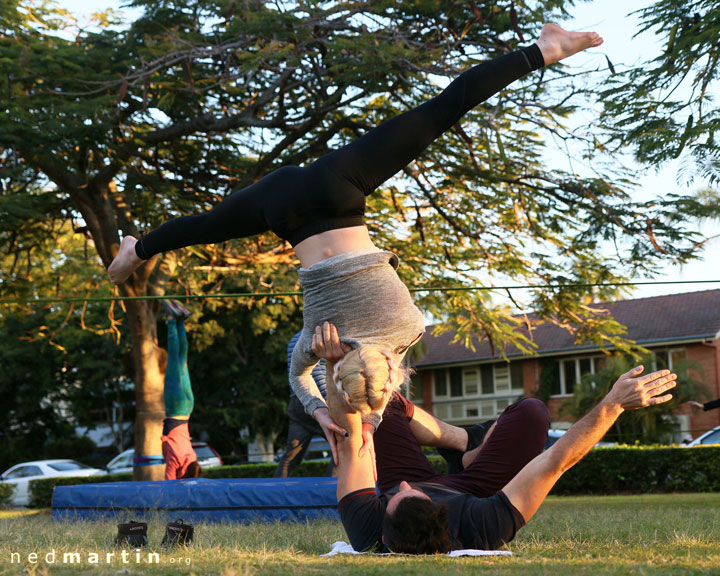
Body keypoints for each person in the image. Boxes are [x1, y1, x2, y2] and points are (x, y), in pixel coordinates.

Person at [108, 25, 604, 458]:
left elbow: (383, 388)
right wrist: (327, 403)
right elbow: (305, 379)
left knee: (441, 111)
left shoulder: (405, 330)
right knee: (207, 223)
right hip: (286, 210)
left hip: (338, 190)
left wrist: (348, 399)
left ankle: (544, 49)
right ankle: (136, 250)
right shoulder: (320, 348)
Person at [312, 322, 677, 553]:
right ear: (442, 512)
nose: (403, 484)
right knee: (532, 410)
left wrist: (334, 367)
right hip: (473, 487)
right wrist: (613, 405)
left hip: (448, 487)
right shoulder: (482, 527)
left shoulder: (367, 530)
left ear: (385, 537)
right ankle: (466, 451)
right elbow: (555, 462)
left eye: (394, 494)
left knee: (377, 401)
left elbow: (349, 439)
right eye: (413, 492)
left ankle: (462, 443)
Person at [274, 331, 337, 478]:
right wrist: (327, 398)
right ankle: (332, 490)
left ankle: (277, 492)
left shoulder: (294, 338)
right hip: (316, 400)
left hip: (296, 401)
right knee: (342, 446)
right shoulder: (317, 337)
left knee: (291, 457)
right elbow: (314, 371)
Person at [161, 299, 202, 480]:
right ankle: (171, 318)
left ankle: (180, 320)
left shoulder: (192, 458)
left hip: (187, 408)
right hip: (174, 407)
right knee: (174, 359)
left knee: (182, 359)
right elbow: (168, 483)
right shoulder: (176, 461)